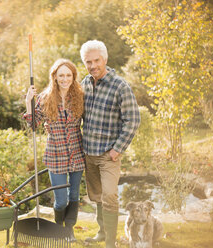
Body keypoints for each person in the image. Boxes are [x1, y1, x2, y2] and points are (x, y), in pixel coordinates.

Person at [80, 40, 140, 248]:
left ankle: (111, 243)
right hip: (89, 153)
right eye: (88, 62)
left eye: (96, 60)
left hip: (108, 154)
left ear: (105, 59)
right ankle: (102, 233)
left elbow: (133, 119)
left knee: (110, 196)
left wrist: (117, 149)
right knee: (97, 196)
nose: (93, 65)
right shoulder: (85, 83)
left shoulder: (120, 86)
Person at [23, 58, 85, 242]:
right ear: (55, 77)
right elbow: (33, 124)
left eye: (68, 75)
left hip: (76, 152)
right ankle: (59, 229)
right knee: (61, 201)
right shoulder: (45, 97)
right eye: (61, 75)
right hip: (56, 153)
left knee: (74, 196)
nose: (65, 79)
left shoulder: (79, 96)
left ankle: (69, 230)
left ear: (73, 77)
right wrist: (28, 101)